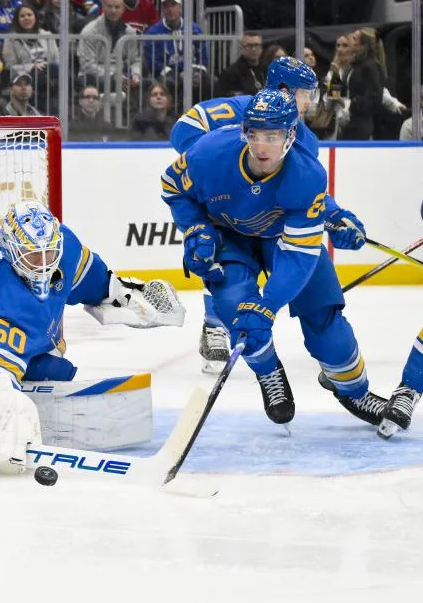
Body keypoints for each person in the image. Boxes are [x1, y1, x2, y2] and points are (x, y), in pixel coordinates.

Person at [161, 89, 385, 428]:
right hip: (229, 235)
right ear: (244, 131)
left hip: (281, 236)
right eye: (255, 134)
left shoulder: (306, 174)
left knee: (327, 326)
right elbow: (172, 186)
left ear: (290, 135)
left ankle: (353, 390)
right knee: (235, 306)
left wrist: (269, 304)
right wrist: (194, 228)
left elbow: (298, 256)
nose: (263, 146)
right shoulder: (209, 153)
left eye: (273, 135)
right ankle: (268, 371)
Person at [0, 200, 184, 474]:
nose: (43, 264)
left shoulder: (65, 247)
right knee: (0, 380)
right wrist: (0, 422)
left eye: (49, 253)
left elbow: (98, 284)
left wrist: (133, 298)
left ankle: (15, 383)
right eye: (33, 256)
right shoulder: (0, 301)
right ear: (11, 250)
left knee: (56, 368)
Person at [169, 56, 367, 374]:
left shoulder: (302, 138)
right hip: (227, 210)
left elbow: (300, 189)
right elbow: (183, 130)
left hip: (268, 221)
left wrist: (331, 213)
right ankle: (214, 322)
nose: (308, 101)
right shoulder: (243, 109)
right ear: (286, 89)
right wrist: (218, 167)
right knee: (217, 258)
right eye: (305, 92)